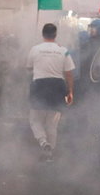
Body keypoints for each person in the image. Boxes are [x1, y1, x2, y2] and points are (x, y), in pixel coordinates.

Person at [26, 23, 75, 162]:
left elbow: (28, 68)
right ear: (55, 35)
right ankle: (50, 154)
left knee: (35, 119)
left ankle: (43, 142)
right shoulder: (63, 50)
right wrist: (70, 91)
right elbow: (69, 73)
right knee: (52, 124)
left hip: (39, 86)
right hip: (58, 86)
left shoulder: (35, 49)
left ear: (42, 34)